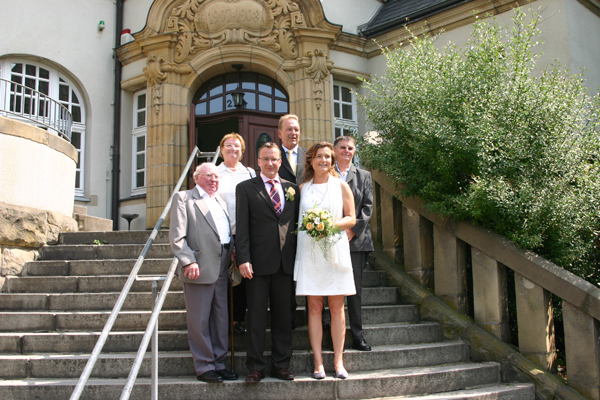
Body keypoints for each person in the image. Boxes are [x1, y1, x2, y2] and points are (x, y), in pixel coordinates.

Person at [235, 142, 300, 383]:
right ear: (258, 162)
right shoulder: (245, 188)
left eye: (274, 159)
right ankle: (256, 367)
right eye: (265, 159)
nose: (270, 163)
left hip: (286, 262)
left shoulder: (293, 189)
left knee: (284, 317)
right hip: (257, 264)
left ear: (280, 162)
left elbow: (295, 225)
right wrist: (243, 259)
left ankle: (281, 365)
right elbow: (242, 227)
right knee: (256, 318)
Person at [169, 162, 238, 383]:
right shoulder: (184, 198)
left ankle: (219, 363)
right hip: (198, 267)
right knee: (199, 319)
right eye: (208, 176)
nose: (213, 180)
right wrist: (188, 261)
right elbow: (177, 237)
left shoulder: (220, 201)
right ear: (196, 177)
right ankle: (205, 365)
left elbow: (223, 232)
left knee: (221, 318)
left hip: (222, 265)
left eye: (216, 177)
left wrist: (233, 251)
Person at [294, 142, 356, 379]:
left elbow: (351, 218)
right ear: (311, 160)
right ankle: (318, 362)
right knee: (314, 307)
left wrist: (328, 225)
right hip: (311, 252)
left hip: (334, 251)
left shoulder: (341, 186)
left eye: (328, 157)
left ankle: (339, 362)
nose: (324, 160)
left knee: (337, 308)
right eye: (319, 156)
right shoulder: (303, 189)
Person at [334, 136, 374, 352]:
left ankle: (357, 335)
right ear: (335, 150)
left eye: (350, 148)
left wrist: (353, 229)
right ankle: (331, 331)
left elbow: (368, 207)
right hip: (330, 240)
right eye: (343, 147)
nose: (347, 151)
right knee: (330, 287)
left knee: (354, 290)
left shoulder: (364, 175)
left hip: (357, 242)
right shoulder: (327, 173)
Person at [216, 133, 256, 336]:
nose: (233, 149)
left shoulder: (249, 173)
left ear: (242, 150)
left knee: (243, 280)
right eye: (229, 145)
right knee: (222, 279)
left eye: (237, 146)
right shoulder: (214, 172)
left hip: (244, 233)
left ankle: (237, 319)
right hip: (220, 234)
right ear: (221, 149)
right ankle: (221, 319)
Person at [278, 114, 306, 184]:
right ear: (280, 133)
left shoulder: (309, 155)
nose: (293, 133)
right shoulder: (274, 157)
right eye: (289, 129)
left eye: (296, 130)